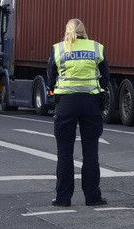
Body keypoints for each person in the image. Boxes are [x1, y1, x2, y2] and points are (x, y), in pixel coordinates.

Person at [46, 18, 110, 207]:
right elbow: (105, 76)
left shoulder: (58, 48)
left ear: (67, 30)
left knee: (64, 152)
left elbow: (51, 76)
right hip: (91, 103)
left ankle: (63, 198)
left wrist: (54, 90)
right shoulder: (96, 47)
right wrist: (99, 90)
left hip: (66, 103)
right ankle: (92, 197)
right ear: (84, 31)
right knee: (91, 152)